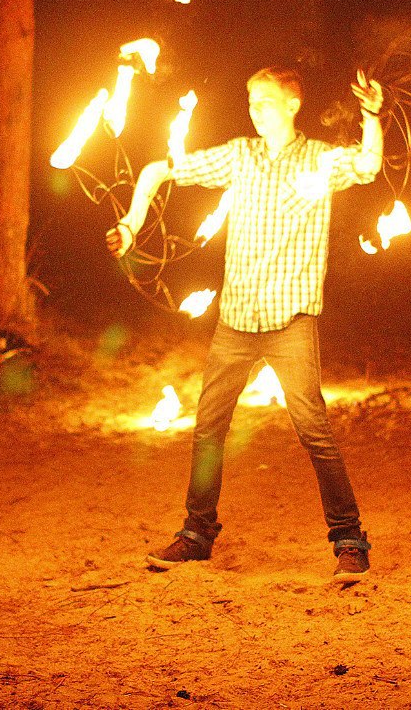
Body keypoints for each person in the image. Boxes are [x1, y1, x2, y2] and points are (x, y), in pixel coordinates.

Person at [107, 66, 384, 582]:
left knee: (314, 431)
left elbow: (368, 165)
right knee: (209, 427)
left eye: (265, 101)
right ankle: (196, 534)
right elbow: (156, 170)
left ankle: (349, 540)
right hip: (236, 320)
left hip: (291, 319)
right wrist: (130, 222)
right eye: (251, 101)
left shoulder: (320, 159)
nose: (255, 110)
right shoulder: (240, 155)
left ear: (293, 103)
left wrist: (371, 112)